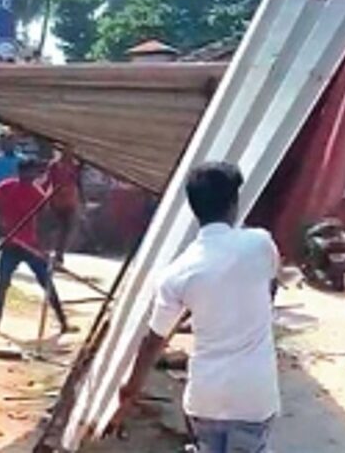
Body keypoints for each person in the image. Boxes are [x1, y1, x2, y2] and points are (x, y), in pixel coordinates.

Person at [114, 162, 280, 453]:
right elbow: (270, 286)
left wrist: (131, 389)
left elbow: (154, 340)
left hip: (205, 398)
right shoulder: (260, 244)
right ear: (234, 203)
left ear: (193, 207)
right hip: (254, 397)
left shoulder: (176, 273)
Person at [0, 158, 76, 335]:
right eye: (27, 173)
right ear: (21, 173)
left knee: (46, 282)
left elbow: (46, 221)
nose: (30, 176)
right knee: (2, 283)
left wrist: (45, 246)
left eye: (32, 173)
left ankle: (63, 322)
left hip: (30, 246)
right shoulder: (7, 187)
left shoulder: (37, 193)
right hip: (10, 244)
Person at [42, 145, 82, 266]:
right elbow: (48, 181)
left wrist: (81, 200)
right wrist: (42, 195)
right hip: (56, 201)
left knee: (66, 229)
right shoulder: (54, 165)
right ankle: (46, 251)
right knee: (51, 227)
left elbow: (78, 182)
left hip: (70, 201)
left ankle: (59, 255)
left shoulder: (75, 166)